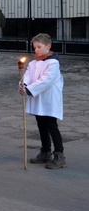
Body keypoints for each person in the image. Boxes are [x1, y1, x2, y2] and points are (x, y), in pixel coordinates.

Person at [20, 33, 66, 169]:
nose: (36, 50)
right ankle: (45, 151)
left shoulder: (53, 63)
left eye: (39, 47)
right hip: (38, 99)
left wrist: (29, 90)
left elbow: (46, 80)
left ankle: (59, 155)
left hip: (49, 100)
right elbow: (26, 76)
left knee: (52, 126)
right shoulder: (33, 63)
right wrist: (23, 85)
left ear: (48, 46)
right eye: (34, 47)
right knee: (41, 125)